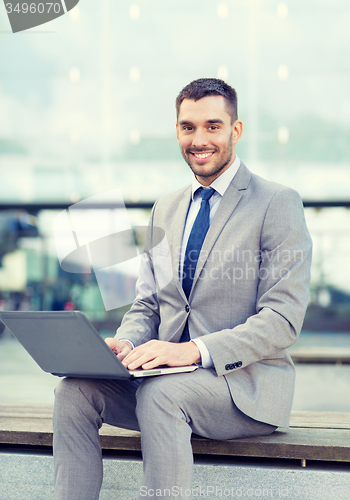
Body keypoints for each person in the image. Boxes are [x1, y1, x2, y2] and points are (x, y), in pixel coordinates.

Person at [53, 78, 312, 500]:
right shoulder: (166, 207)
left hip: (243, 389)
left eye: (213, 126)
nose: (199, 139)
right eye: (188, 127)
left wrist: (192, 351)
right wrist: (124, 343)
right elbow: (149, 302)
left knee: (161, 394)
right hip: (164, 378)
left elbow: (282, 320)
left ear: (236, 130)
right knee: (74, 391)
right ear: (177, 131)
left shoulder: (276, 203)